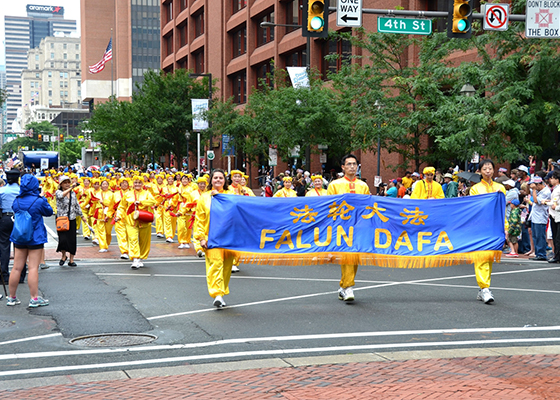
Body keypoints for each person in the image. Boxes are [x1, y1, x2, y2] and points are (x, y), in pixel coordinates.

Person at [326, 154, 371, 302]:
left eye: (354, 164)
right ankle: (348, 287)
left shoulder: (363, 186)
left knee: (354, 256)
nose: (352, 166)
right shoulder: (335, 185)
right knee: (347, 255)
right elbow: (329, 206)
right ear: (343, 167)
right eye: (349, 164)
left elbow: (368, 206)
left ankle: (344, 287)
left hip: (358, 225)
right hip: (341, 226)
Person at [7, 174, 53, 307]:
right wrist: (42, 197)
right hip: (35, 237)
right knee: (33, 267)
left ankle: (12, 297)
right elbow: (49, 212)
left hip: (19, 237)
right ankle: (34, 298)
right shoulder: (39, 200)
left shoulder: (17, 200)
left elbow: (15, 211)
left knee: (16, 268)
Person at [194, 169, 235, 308]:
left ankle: (221, 293)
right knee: (215, 264)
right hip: (211, 237)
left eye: (221, 178)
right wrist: (200, 238)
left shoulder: (231, 195)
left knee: (227, 267)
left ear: (225, 180)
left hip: (228, 237)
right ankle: (217, 294)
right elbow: (199, 219)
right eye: (215, 178)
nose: (218, 180)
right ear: (211, 180)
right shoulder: (204, 197)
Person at [469, 159, 507, 304]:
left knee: (489, 258)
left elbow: (503, 210)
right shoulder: (475, 188)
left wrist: (506, 227)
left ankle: (483, 289)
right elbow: (474, 207)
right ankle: (485, 288)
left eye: (490, 168)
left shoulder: (500, 187)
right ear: (480, 171)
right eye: (485, 169)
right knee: (481, 257)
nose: (488, 171)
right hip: (480, 227)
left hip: (495, 227)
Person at [115, 176, 157, 269]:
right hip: (131, 220)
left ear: (142, 184)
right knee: (133, 238)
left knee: (144, 240)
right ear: (133, 184)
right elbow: (121, 206)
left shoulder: (147, 193)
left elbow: (153, 202)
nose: (137, 184)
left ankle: (141, 257)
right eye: (136, 183)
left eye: (139, 183)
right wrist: (118, 216)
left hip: (144, 219)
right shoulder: (127, 194)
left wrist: (141, 202)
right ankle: (135, 258)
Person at [0, 169, 22, 297]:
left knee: (4, 246)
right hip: (19, 218)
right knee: (20, 246)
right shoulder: (21, 191)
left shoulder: (2, 191)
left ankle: (4, 274)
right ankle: (21, 274)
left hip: (5, 218)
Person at [55, 175, 82, 267]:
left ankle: (71, 259)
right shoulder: (58, 192)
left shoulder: (73, 194)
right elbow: (61, 196)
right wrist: (70, 188)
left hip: (72, 218)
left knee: (72, 240)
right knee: (63, 239)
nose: (67, 184)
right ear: (61, 184)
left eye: (68, 182)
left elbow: (76, 205)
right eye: (65, 182)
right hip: (62, 219)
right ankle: (63, 256)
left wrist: (82, 215)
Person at [528, 175, 551, 261]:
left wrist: (534, 189)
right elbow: (529, 193)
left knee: (540, 236)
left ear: (539, 184)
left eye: (535, 186)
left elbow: (536, 201)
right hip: (534, 216)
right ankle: (538, 253)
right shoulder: (537, 191)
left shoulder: (546, 191)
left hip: (540, 217)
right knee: (535, 236)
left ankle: (541, 254)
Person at [547, 171, 560, 263]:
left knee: (558, 237)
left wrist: (557, 207)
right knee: (555, 236)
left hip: (558, 214)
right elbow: (554, 201)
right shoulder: (555, 189)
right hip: (554, 215)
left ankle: (557, 255)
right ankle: (556, 254)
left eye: (552, 178)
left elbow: (556, 203)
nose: (550, 180)